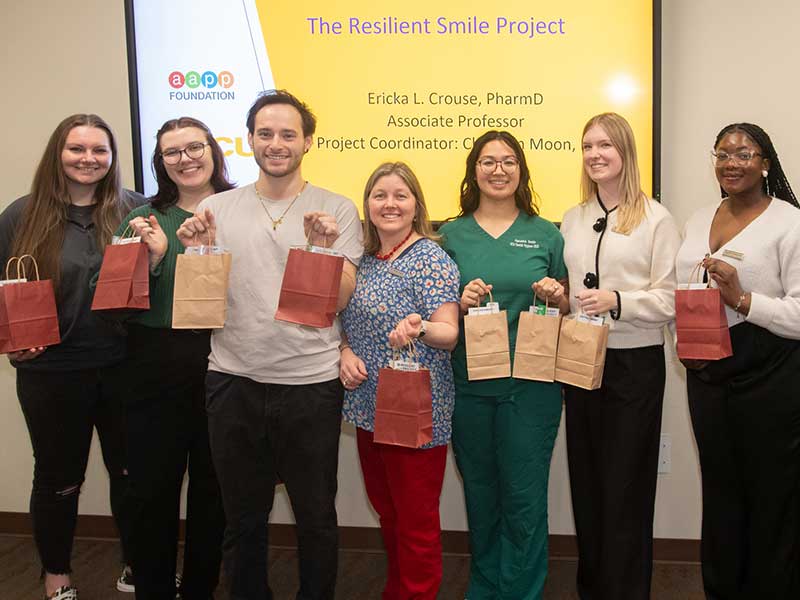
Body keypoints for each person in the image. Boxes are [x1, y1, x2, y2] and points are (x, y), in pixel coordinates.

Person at [176, 89, 363, 600]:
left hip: (309, 384)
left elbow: (340, 297)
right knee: (242, 519)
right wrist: (196, 254)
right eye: (265, 133)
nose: (275, 143)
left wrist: (321, 249)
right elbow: (202, 303)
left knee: (316, 517)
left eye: (287, 134)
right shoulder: (217, 206)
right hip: (232, 381)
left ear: (307, 141)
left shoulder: (337, 209)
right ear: (250, 139)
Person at [0, 114, 143, 600]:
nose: (88, 159)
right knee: (59, 478)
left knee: (131, 473)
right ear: (57, 155)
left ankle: (135, 565)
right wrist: (12, 340)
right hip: (51, 373)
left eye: (99, 150)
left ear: (112, 157)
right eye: (76, 149)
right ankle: (56, 572)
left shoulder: (135, 211)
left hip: (126, 368)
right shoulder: (21, 216)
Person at [439, 130, 569, 600]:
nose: (499, 169)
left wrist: (558, 296)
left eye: (509, 161)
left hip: (531, 385)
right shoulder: (449, 235)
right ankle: (485, 585)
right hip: (469, 383)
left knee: (524, 497)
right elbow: (437, 309)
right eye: (488, 161)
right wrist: (459, 298)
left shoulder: (546, 232)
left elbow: (568, 304)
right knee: (481, 491)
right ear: (474, 170)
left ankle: (521, 591)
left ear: (522, 170)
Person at [675, 122, 800, 598]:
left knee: (772, 499)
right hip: (707, 374)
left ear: (765, 163)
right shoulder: (698, 217)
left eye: (745, 154)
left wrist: (743, 300)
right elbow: (679, 290)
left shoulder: (789, 222)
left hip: (771, 376)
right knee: (721, 495)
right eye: (723, 154)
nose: (732, 163)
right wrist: (682, 343)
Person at [559, 112, 681, 600]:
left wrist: (619, 301)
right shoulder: (573, 217)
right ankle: (593, 589)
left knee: (625, 488)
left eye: (605, 145)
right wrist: (559, 297)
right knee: (587, 483)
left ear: (626, 151)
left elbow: (671, 299)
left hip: (634, 365)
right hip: (580, 360)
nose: (594, 155)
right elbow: (572, 290)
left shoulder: (657, 218)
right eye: (587, 146)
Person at [115, 117, 233, 600]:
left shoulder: (242, 211)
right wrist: (159, 259)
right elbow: (117, 304)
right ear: (160, 163)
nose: (185, 159)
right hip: (153, 363)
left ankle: (201, 589)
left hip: (225, 360)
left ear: (213, 150)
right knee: (151, 492)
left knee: (215, 491)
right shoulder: (141, 219)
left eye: (194, 147)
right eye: (171, 153)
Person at [338, 162, 460, 599]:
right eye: (379, 195)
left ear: (416, 205)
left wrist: (420, 326)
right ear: (367, 205)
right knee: (387, 510)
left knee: (416, 519)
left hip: (415, 411)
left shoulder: (431, 258)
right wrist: (344, 350)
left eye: (400, 195)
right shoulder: (364, 260)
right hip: (369, 407)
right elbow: (342, 320)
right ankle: (398, 591)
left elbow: (449, 333)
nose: (389, 204)